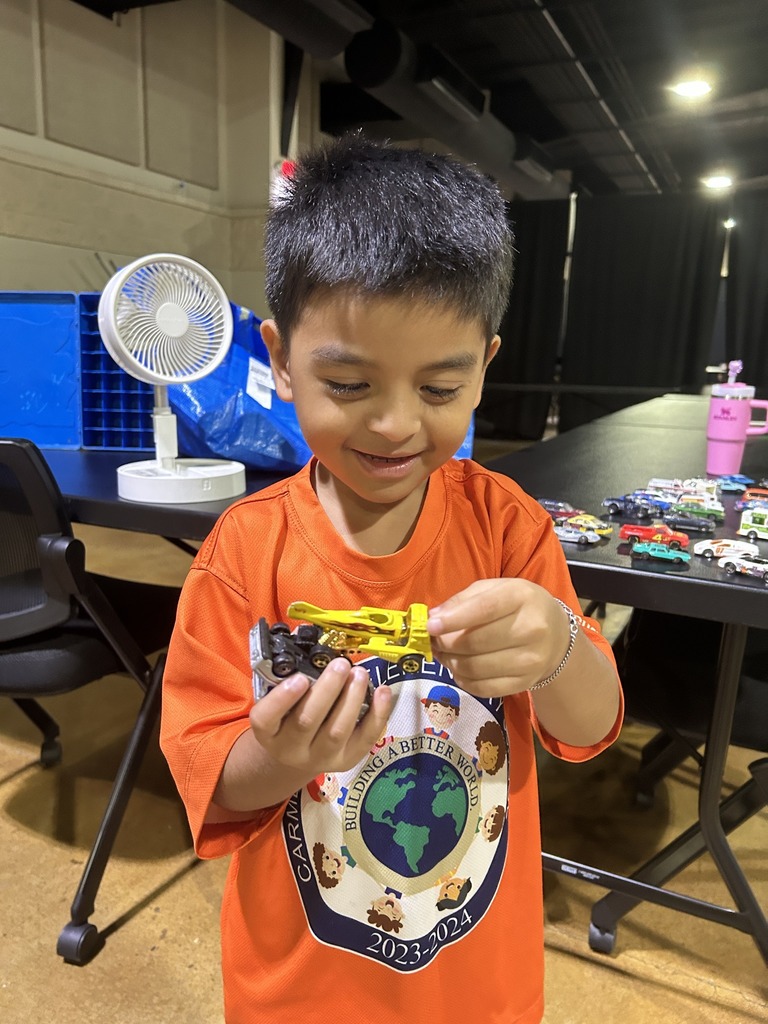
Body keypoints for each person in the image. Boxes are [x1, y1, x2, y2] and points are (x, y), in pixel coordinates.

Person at [160, 134, 623, 1024]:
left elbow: (592, 724)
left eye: (440, 390)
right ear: (280, 360)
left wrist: (559, 646)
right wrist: (279, 756)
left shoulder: (508, 528)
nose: (395, 424)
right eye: (348, 382)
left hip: (478, 987)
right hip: (302, 992)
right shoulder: (242, 553)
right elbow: (208, 779)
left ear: (485, 368)